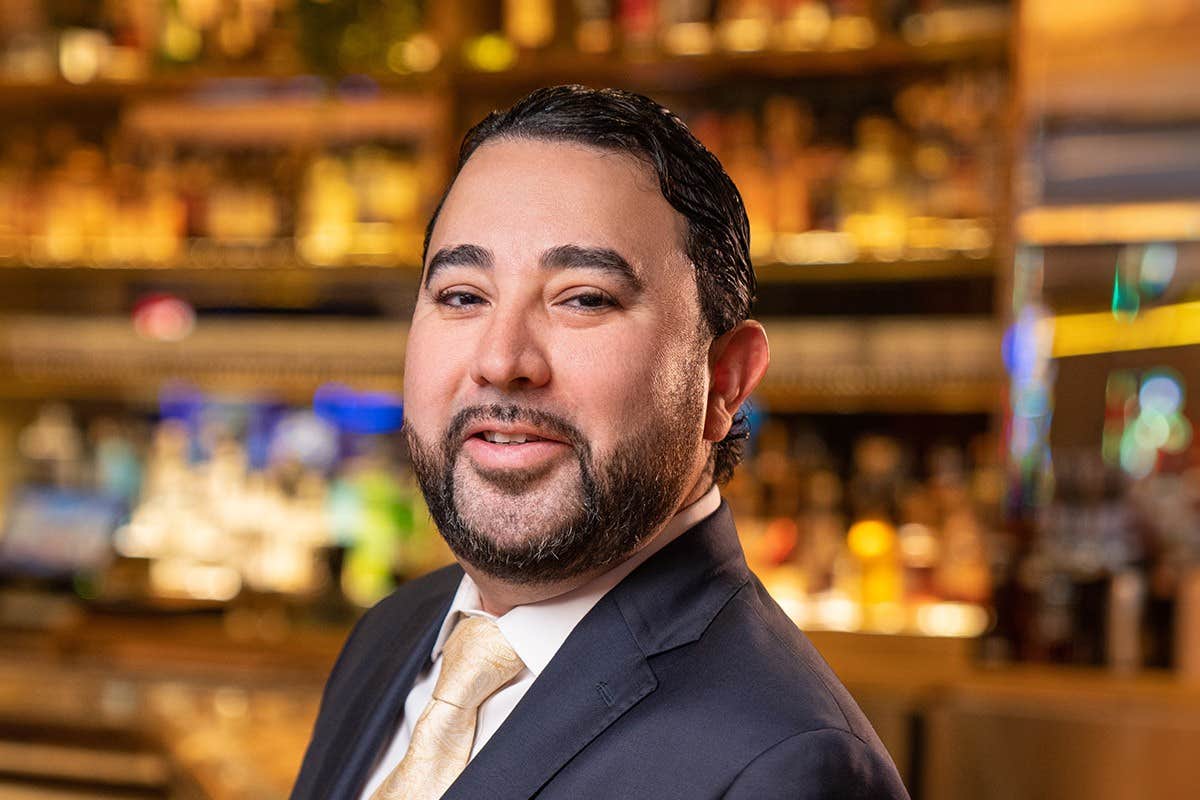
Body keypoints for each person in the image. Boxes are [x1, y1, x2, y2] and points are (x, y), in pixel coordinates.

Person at [291, 85, 909, 800]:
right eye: (463, 295)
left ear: (725, 382)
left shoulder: (789, 764)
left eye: (584, 298)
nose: (500, 359)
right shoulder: (390, 637)